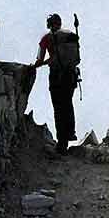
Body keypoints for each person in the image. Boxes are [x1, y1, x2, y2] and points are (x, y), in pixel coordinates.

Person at [33, 13, 81, 152]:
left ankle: (61, 143)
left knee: (58, 108)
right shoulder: (70, 35)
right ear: (59, 23)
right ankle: (70, 133)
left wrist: (34, 66)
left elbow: (40, 59)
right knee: (68, 104)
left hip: (56, 76)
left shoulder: (46, 38)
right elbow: (76, 57)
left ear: (48, 24)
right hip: (71, 75)